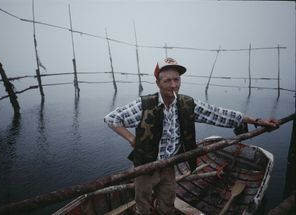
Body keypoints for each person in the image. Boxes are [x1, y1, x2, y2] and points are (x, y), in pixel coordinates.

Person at [104, 57, 279, 215]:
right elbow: (112, 119)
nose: (173, 85)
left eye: (177, 80)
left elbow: (219, 114)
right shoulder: (145, 105)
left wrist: (257, 120)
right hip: (145, 166)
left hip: (169, 166)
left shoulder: (186, 104)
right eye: (167, 81)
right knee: (142, 205)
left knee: (167, 205)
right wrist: (132, 139)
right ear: (158, 83)